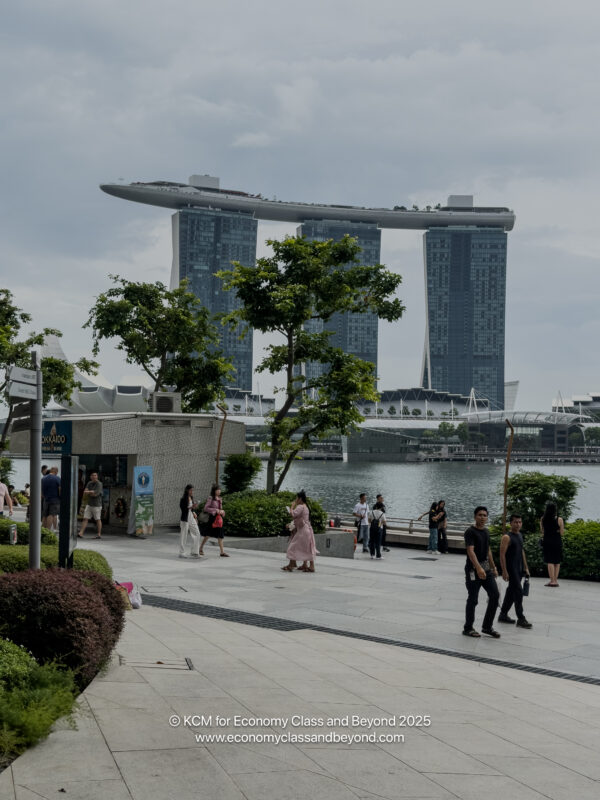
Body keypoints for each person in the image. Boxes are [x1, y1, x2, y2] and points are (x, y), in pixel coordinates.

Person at [463, 506, 501, 638]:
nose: (482, 517)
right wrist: (478, 568)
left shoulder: (486, 531)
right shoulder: (470, 532)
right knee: (473, 599)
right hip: (473, 570)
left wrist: (493, 567)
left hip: (486, 569)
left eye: (485, 515)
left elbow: (488, 550)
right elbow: (470, 551)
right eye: (480, 515)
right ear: (475, 516)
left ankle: (487, 626)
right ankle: (468, 628)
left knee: (495, 595)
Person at [498, 513, 532, 628]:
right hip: (511, 569)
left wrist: (526, 567)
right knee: (518, 592)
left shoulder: (520, 535)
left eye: (520, 522)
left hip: (519, 568)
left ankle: (503, 614)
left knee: (511, 593)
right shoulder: (507, 537)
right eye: (515, 522)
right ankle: (521, 618)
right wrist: (504, 570)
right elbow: (502, 555)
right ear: (510, 523)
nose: (518, 524)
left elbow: (521, 551)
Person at [282, 490, 318, 572]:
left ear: (300, 498)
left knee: (292, 547)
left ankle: (292, 564)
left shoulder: (300, 506)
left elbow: (293, 514)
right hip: (307, 529)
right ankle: (309, 566)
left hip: (303, 531)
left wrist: (291, 507)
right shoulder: (306, 507)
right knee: (307, 548)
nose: (296, 500)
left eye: (297, 498)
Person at [540, 502, 564, 587]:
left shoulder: (543, 519)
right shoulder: (559, 519)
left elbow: (542, 532)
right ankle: (555, 581)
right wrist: (556, 531)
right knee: (557, 561)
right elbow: (562, 533)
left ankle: (551, 580)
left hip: (547, 541)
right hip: (557, 541)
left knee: (549, 561)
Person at [200, 484, 228, 557]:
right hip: (212, 519)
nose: (219, 491)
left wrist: (222, 511)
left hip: (218, 519)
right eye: (217, 490)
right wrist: (215, 510)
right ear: (214, 491)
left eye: (219, 489)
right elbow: (206, 508)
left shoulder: (220, 499)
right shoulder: (211, 498)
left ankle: (222, 552)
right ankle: (200, 548)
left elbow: (220, 509)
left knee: (220, 535)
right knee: (208, 534)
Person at [178, 484, 201, 559]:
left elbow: (192, 509)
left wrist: (194, 512)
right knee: (183, 535)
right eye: (191, 490)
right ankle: (182, 552)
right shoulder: (183, 499)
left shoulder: (191, 497)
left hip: (191, 516)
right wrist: (191, 507)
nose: (192, 491)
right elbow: (183, 509)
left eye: (192, 490)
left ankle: (194, 552)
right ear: (187, 490)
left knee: (197, 532)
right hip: (185, 518)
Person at [78, 471, 103, 539]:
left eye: (95, 475)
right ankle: (81, 533)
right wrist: (90, 492)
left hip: (97, 505)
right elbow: (85, 492)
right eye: (92, 475)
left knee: (97, 519)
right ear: (90, 477)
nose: (94, 477)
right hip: (89, 504)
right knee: (85, 518)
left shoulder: (99, 484)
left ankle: (99, 534)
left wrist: (89, 492)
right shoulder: (89, 483)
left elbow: (95, 494)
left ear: (97, 476)